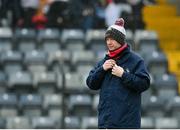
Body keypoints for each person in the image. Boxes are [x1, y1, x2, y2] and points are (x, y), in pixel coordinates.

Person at [86, 18, 150, 129]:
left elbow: (144, 83)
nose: (108, 42)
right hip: (106, 123)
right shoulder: (103, 62)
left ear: (120, 40)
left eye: (112, 39)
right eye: (107, 39)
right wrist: (102, 69)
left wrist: (123, 75)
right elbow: (91, 83)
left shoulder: (136, 60)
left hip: (127, 124)